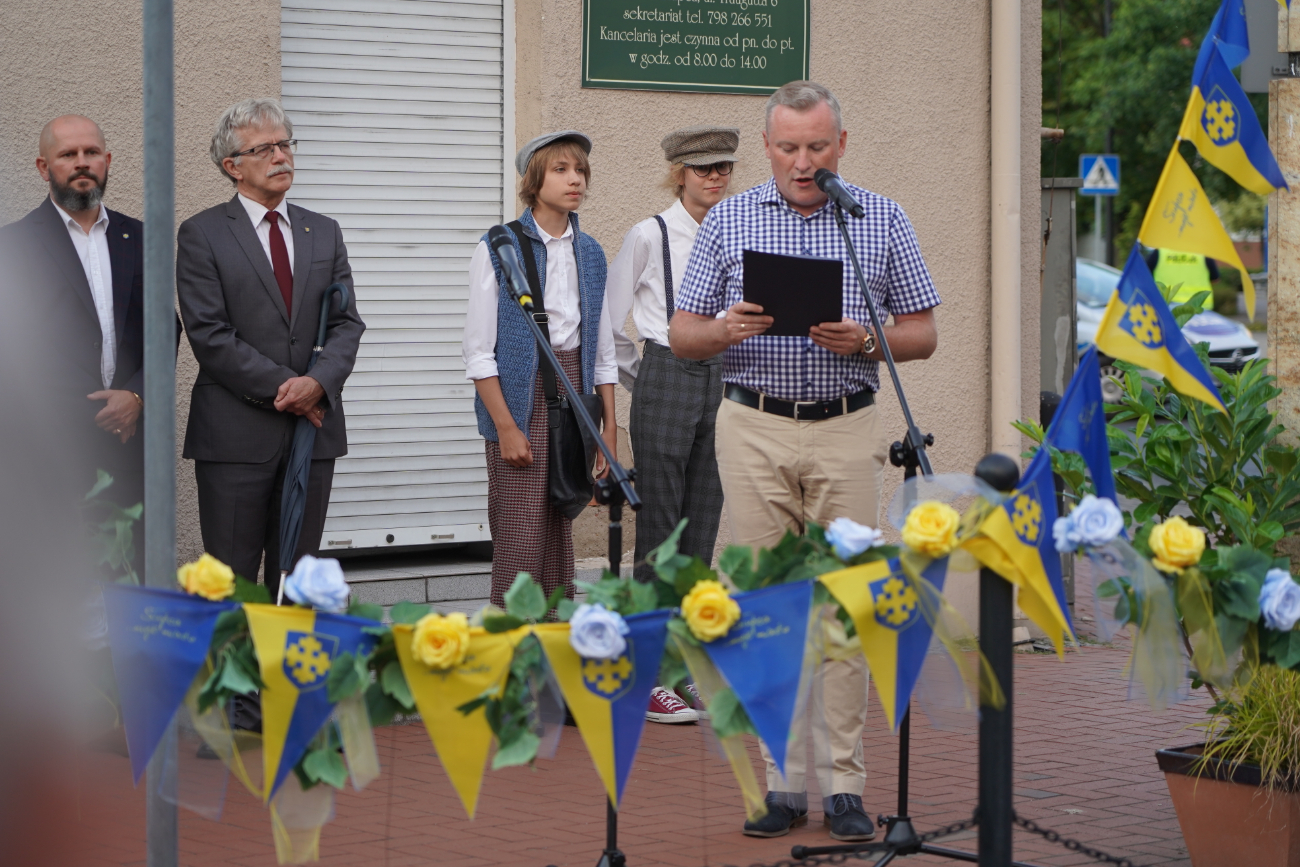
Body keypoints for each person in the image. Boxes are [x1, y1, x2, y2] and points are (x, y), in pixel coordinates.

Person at [670, 81, 940, 842]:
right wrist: (724, 329)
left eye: (816, 147)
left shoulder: (879, 219)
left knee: (848, 606)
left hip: (846, 425)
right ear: (767, 147)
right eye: (787, 147)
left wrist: (868, 338)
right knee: (763, 609)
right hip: (752, 426)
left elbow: (922, 333)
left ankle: (846, 784)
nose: (801, 161)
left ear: (841, 147)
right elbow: (682, 332)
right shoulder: (728, 217)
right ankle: (783, 783)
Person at [176, 98, 365, 600]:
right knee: (231, 583)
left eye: (286, 144)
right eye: (265, 148)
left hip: (313, 432)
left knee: (298, 581)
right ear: (232, 166)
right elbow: (210, 335)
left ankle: (286, 679)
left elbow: (347, 323)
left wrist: (318, 384)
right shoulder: (202, 234)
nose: (282, 156)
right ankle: (236, 681)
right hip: (236, 437)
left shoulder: (323, 230)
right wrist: (289, 389)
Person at [608, 125, 739, 725]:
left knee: (701, 534)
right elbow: (611, 328)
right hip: (664, 373)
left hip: (726, 379)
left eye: (723, 168)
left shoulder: (738, 232)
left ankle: (681, 670)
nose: (715, 177)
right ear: (679, 173)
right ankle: (648, 676)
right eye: (703, 168)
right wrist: (644, 380)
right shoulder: (648, 234)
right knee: (659, 533)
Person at [462, 131, 618, 608]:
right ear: (534, 179)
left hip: (575, 389)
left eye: (581, 171)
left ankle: (552, 634)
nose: (575, 180)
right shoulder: (499, 246)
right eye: (561, 170)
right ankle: (511, 640)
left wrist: (609, 429)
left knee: (559, 518)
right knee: (521, 524)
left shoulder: (589, 252)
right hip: (517, 394)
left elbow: (603, 349)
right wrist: (506, 427)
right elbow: (478, 352)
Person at [0, 116, 153, 526]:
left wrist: (136, 397)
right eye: (68, 154)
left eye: (91, 153)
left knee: (130, 577)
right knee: (62, 583)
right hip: (48, 454)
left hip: (128, 448)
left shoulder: (140, 237)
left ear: (107, 160)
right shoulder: (12, 245)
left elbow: (162, 329)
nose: (81, 163)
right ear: (43, 167)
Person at [1145, 248, 1218, 311]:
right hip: (1199, 307)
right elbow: (1215, 279)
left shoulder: (1160, 252)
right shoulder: (1203, 253)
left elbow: (1144, 275)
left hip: (1166, 306)